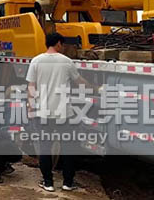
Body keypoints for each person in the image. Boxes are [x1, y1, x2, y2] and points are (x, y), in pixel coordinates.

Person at [26, 32, 92, 192]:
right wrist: (94, 88)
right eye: (62, 44)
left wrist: (30, 105)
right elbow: (79, 82)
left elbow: (31, 86)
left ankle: (48, 182)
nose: (62, 47)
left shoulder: (36, 61)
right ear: (58, 44)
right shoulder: (66, 62)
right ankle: (68, 183)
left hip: (42, 113)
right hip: (64, 113)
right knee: (68, 148)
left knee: (45, 148)